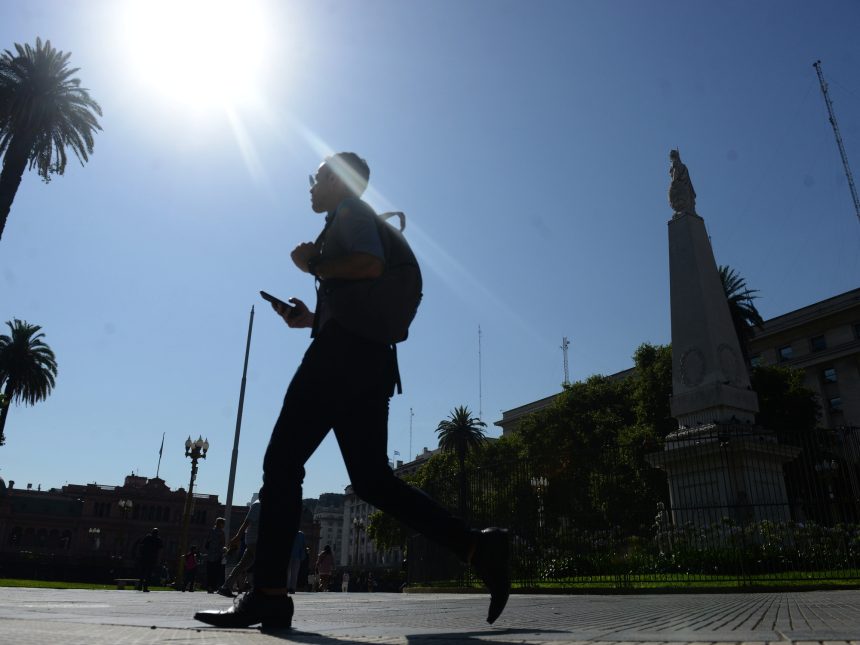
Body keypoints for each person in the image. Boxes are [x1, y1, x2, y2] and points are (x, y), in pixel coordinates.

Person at [194, 153, 510, 630]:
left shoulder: (351, 215)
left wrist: (312, 262)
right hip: (368, 359)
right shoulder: (349, 220)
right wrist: (310, 318)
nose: (311, 185)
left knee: (282, 464)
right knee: (372, 481)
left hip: (340, 359)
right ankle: (476, 546)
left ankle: (268, 595)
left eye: (317, 176)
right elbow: (359, 293)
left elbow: (366, 264)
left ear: (339, 181)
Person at [217, 496, 261, 597]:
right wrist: (238, 536)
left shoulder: (262, 505)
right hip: (255, 540)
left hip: (255, 540)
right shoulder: (258, 505)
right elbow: (247, 522)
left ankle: (226, 587)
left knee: (242, 565)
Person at [136, 528, 162, 592]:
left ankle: (140, 586)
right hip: (152, 559)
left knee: (142, 572)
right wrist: (159, 559)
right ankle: (145, 587)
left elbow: (141, 544)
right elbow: (160, 549)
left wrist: (140, 554)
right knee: (148, 574)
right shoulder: (158, 539)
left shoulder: (147, 537)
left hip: (144, 557)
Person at [205, 517, 227, 593]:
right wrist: (224, 550)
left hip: (210, 555)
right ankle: (214, 587)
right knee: (216, 572)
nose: (224, 525)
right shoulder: (221, 532)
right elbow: (222, 543)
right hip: (217, 555)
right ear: (220, 524)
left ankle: (209, 586)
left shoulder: (211, 530)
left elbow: (207, 542)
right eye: (223, 523)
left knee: (209, 571)